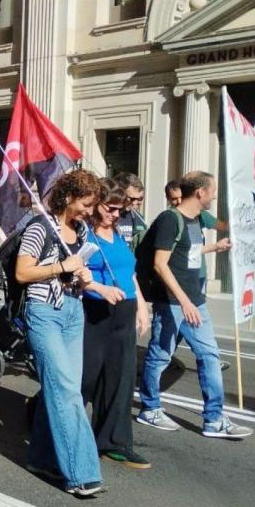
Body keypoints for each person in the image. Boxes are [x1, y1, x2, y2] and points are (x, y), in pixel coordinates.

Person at [136, 171, 252, 439]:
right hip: (173, 301)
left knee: (209, 355)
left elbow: (187, 252)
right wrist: (184, 301)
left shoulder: (197, 219)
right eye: (212, 191)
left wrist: (215, 247)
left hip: (193, 300)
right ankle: (150, 407)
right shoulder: (170, 219)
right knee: (161, 355)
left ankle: (214, 419)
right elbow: (159, 263)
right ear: (200, 193)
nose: (214, 196)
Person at [15, 169, 103, 497]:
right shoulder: (40, 226)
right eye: (85, 203)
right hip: (44, 314)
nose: (89, 211)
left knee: (63, 388)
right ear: (67, 197)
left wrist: (82, 276)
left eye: (92, 205)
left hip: (73, 312)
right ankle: (81, 474)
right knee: (66, 391)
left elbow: (73, 275)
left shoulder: (79, 231)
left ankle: (40, 457)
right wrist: (61, 267)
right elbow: (23, 272)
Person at [81, 179, 151, 470]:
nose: (115, 215)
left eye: (120, 211)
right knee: (86, 378)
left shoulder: (119, 235)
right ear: (97, 203)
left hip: (124, 308)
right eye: (110, 209)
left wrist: (142, 306)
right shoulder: (83, 233)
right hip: (95, 309)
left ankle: (113, 442)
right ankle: (44, 415)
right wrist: (100, 288)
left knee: (121, 378)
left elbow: (129, 272)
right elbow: (77, 275)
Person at [113, 173, 147, 250]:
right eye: (132, 199)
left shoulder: (138, 218)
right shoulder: (108, 216)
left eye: (140, 198)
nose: (135, 203)